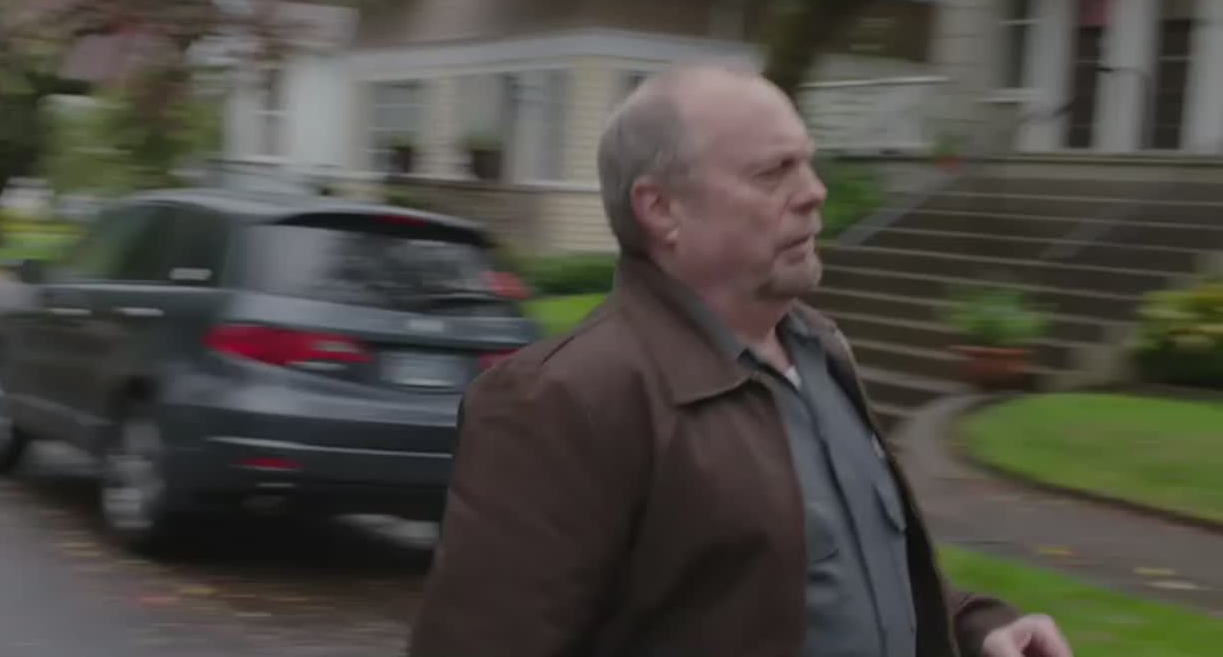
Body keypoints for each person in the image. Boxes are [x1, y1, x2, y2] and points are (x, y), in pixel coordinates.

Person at [409, 61, 1072, 657]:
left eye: (806, 163)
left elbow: (844, 577)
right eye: (772, 172)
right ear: (662, 209)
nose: (813, 191)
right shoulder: (564, 400)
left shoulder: (820, 352)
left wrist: (978, 628)